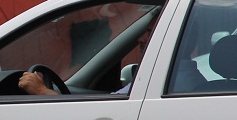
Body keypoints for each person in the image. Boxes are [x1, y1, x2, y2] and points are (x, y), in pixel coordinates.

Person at [19, 12, 160, 95]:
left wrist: (41, 91)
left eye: (150, 33)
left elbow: (109, 112)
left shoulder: (172, 78)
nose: (140, 39)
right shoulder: (169, 76)